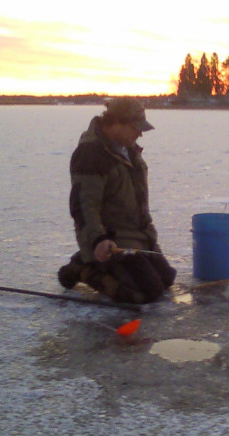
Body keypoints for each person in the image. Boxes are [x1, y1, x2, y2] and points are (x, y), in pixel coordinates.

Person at [57, 98, 176, 303]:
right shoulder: (91, 154)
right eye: (135, 128)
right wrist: (98, 240)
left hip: (135, 237)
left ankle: (92, 261)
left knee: (166, 279)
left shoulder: (128, 149)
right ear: (115, 123)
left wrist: (149, 236)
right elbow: (84, 206)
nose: (140, 134)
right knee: (145, 293)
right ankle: (84, 268)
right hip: (111, 241)